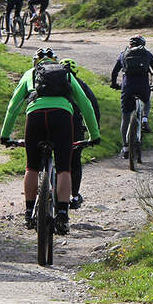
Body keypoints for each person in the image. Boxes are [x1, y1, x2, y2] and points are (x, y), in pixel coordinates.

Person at [0, 48, 100, 236]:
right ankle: (62, 215)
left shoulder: (30, 74)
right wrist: (94, 135)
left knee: (31, 167)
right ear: (55, 62)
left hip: (36, 117)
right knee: (64, 168)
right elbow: (86, 105)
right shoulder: (67, 75)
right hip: (62, 117)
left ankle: (29, 213)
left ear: (36, 63)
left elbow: (13, 106)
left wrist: (5, 135)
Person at [110, 36, 153, 157]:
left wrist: (114, 84)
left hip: (127, 87)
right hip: (143, 87)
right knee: (146, 101)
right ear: (142, 45)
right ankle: (145, 119)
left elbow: (114, 72)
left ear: (130, 45)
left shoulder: (123, 54)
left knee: (125, 118)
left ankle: (125, 147)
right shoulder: (147, 54)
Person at [60, 58, 99, 210]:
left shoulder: (50, 83)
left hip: (48, 123)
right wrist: (94, 130)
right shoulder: (80, 84)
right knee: (74, 161)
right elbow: (93, 106)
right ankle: (74, 196)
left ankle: (48, 189)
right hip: (74, 127)